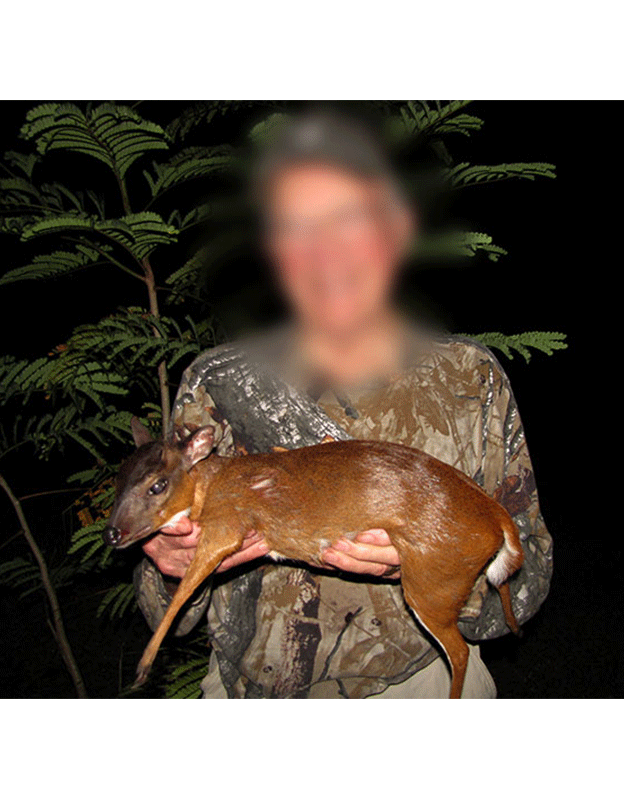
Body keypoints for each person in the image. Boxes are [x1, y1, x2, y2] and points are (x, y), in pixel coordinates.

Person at [134, 111, 552, 698]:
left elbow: (527, 570)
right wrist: (170, 563)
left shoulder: (469, 378)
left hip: (421, 687)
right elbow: (165, 604)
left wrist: (437, 568)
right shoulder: (218, 382)